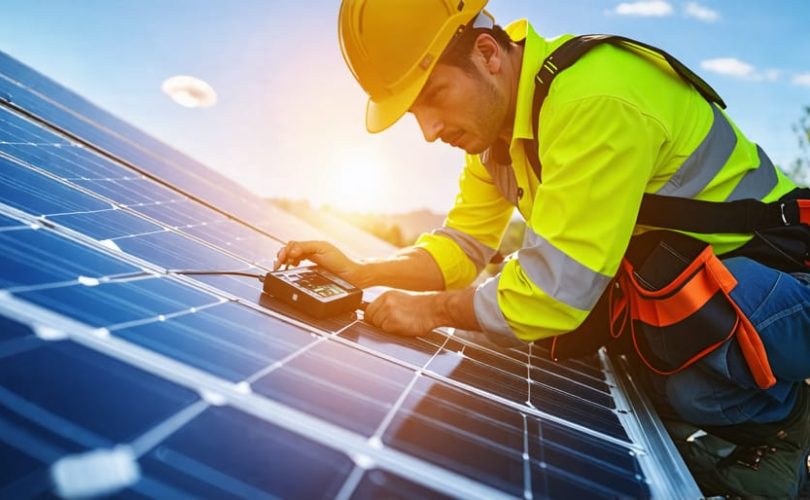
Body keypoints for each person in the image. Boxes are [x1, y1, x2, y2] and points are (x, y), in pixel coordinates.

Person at [274, 1, 810, 495]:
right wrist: (363, 270)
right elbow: (461, 249)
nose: (430, 131)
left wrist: (434, 311)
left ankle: (792, 425)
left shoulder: (593, 100)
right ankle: (732, 414)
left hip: (787, 282)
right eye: (415, 114)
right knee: (617, 331)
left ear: (488, 55)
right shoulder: (497, 143)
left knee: (665, 328)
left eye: (434, 96)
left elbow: (553, 292)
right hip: (717, 288)